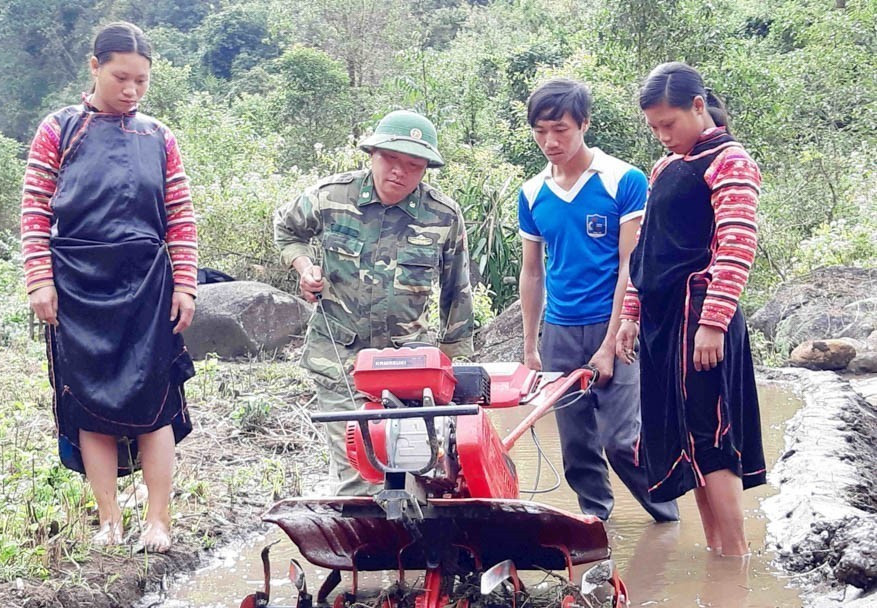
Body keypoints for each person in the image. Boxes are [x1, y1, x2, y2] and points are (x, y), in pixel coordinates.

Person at [21, 22, 197, 552]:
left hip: (147, 282)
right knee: (90, 404)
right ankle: (109, 522)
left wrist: (184, 285)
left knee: (154, 401)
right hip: (77, 283)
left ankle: (158, 520)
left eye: (142, 81)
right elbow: (34, 210)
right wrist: (39, 279)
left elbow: (180, 216)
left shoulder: (159, 135)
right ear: (94, 67)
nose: (132, 91)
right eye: (121, 77)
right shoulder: (59, 129)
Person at [274, 110, 474, 496]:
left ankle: (418, 552)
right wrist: (304, 266)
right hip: (339, 362)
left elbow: (456, 294)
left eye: (413, 165)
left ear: (426, 169)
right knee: (360, 476)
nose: (399, 172)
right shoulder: (331, 196)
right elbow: (286, 230)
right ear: (372, 154)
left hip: (409, 368)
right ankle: (366, 555)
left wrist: (456, 374)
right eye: (391, 159)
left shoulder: (443, 216)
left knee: (416, 474)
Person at [616, 62, 766, 556]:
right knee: (686, 441)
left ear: (698, 106)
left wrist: (713, 323)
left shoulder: (730, 161)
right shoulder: (665, 168)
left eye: (669, 124)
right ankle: (717, 552)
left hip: (701, 318)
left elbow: (736, 244)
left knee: (711, 434)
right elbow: (647, 252)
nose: (662, 136)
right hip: (664, 323)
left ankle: (736, 556)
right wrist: (631, 316)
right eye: (654, 127)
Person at [518, 78, 678, 523]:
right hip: (561, 331)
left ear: (584, 124)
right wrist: (531, 345)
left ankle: (666, 516)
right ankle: (595, 525)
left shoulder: (621, 180)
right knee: (575, 445)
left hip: (617, 326)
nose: (550, 141)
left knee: (621, 439)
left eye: (561, 129)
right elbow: (532, 271)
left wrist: (609, 345)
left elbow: (631, 264)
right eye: (541, 131)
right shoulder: (532, 193)